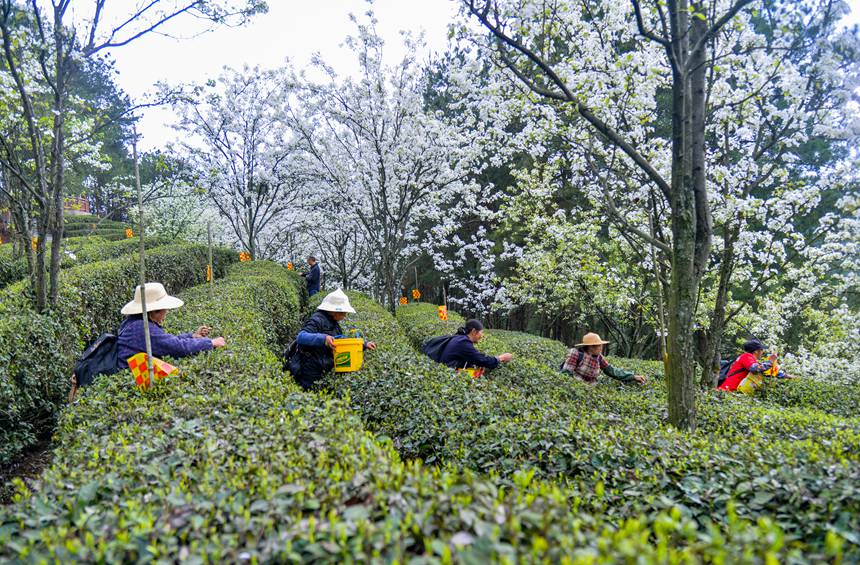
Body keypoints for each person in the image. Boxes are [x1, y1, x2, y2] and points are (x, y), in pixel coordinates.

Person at [116, 282, 226, 370]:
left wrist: (192, 336)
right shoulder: (142, 327)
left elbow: (167, 341)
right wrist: (211, 343)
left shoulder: (135, 322)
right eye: (165, 309)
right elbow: (177, 348)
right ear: (155, 311)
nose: (166, 312)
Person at [289, 288, 376, 389]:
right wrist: (324, 339)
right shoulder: (317, 320)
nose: (345, 315)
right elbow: (301, 337)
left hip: (323, 368)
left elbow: (341, 343)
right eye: (343, 312)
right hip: (310, 372)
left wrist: (364, 345)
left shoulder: (334, 323)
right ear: (334, 311)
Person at [561, 332, 647, 385]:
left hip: (591, 388)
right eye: (599, 345)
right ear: (591, 347)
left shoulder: (599, 358)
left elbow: (612, 371)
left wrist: (632, 376)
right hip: (577, 386)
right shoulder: (576, 354)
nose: (601, 348)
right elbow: (566, 373)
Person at [437, 319, 513, 372]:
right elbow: (482, 360)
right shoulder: (463, 343)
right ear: (473, 331)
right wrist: (501, 358)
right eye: (481, 332)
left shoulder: (459, 337)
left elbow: (473, 357)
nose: (482, 335)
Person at [718, 339, 788, 392]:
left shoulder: (749, 359)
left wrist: (788, 376)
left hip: (731, 391)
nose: (763, 352)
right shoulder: (747, 356)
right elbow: (755, 368)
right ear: (756, 351)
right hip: (728, 391)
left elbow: (765, 372)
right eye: (761, 350)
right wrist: (770, 362)